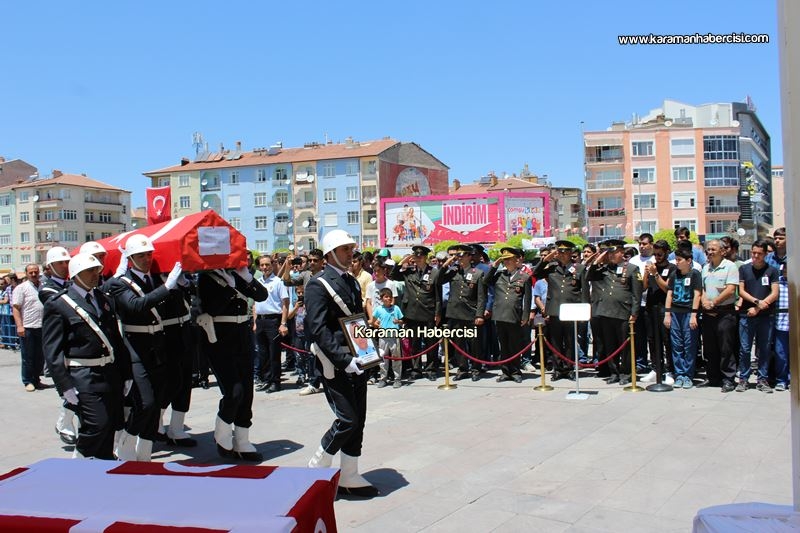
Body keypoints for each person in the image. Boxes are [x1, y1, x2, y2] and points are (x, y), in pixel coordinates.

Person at [305, 229, 379, 497]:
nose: (351, 254)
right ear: (331, 253)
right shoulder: (318, 284)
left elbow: (355, 320)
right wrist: (344, 359)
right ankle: (316, 465)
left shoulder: (349, 281)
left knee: (358, 420)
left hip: (358, 359)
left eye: (351, 249)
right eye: (346, 249)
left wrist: (368, 352)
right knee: (347, 418)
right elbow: (318, 328)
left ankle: (349, 473)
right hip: (335, 362)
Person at [42, 253, 132, 459]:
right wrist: (64, 385)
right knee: (96, 424)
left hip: (109, 372)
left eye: (97, 270)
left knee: (111, 424)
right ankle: (79, 467)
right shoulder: (59, 304)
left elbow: (116, 339)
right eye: (89, 271)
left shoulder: (104, 299)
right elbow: (52, 350)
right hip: (82, 374)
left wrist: (126, 372)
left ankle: (102, 469)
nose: (95, 275)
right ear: (76, 274)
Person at [104, 235, 185, 461]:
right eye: (141, 255)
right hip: (135, 350)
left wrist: (180, 285)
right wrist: (168, 286)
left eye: (149, 254)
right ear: (130, 258)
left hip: (158, 348)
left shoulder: (156, 279)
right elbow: (136, 305)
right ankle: (126, 445)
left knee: (157, 402)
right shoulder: (121, 283)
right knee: (145, 402)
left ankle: (145, 452)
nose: (147, 259)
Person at [198, 263, 269, 461]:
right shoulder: (206, 277)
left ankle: (242, 441)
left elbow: (262, 295)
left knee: (247, 392)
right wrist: (230, 288)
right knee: (234, 391)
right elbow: (211, 308)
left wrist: (248, 279)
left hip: (243, 337)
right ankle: (221, 431)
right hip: (220, 339)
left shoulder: (236, 275)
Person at [586, 239, 643, 385]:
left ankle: (626, 372)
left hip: (623, 312)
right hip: (606, 312)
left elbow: (637, 294)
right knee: (610, 345)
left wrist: (634, 313)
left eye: (613, 252)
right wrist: (598, 258)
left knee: (624, 346)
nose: (611, 255)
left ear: (622, 252)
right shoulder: (604, 269)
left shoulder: (632, 269)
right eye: (609, 253)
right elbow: (589, 276)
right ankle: (614, 372)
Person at [534, 241, 589, 381]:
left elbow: (584, 291)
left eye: (565, 252)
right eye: (560, 252)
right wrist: (546, 259)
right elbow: (536, 273)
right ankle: (558, 369)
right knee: (556, 341)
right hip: (555, 310)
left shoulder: (580, 268)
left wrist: (585, 311)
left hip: (572, 309)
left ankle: (569, 368)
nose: (562, 254)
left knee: (571, 341)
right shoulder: (552, 267)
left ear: (571, 253)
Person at [390, 245, 441, 381]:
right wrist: (403, 260)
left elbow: (437, 295)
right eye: (415, 256)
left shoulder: (434, 272)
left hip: (428, 312)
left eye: (420, 256)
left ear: (425, 258)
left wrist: (437, 313)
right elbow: (393, 274)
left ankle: (430, 368)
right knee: (414, 343)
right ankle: (416, 369)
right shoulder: (409, 271)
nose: (418, 259)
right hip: (412, 313)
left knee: (430, 342)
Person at [736, 240, 779, 393]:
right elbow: (741, 291)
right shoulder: (744, 269)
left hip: (766, 316)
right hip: (746, 315)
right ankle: (744, 379)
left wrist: (760, 306)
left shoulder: (772, 270)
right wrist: (756, 302)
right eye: (753, 253)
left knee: (764, 348)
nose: (755, 256)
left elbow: (774, 293)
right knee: (745, 349)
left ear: (765, 254)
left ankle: (762, 379)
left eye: (759, 254)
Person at [439, 244, 487, 381]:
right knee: (459, 342)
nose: (459, 258)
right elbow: (439, 279)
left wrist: (479, 314)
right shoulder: (454, 271)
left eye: (461, 255)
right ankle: (462, 368)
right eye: (457, 256)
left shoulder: (477, 273)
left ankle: (476, 368)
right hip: (455, 313)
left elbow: (481, 297)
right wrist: (447, 264)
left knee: (474, 343)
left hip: (471, 313)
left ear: (469, 256)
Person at [487, 247, 532, 383]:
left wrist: (525, 316)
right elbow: (486, 280)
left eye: (509, 259)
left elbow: (527, 299)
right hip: (500, 315)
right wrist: (495, 265)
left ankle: (515, 371)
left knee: (514, 345)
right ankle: (505, 371)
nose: (506, 262)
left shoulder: (524, 277)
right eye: (504, 260)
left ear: (516, 260)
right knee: (504, 345)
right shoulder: (500, 275)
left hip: (514, 315)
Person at [700, 240, 739, 392]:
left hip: (725, 312)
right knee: (710, 347)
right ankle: (712, 377)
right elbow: (701, 288)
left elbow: (730, 290)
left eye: (713, 249)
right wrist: (704, 301)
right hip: (708, 313)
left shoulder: (730, 267)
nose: (710, 252)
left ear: (723, 251)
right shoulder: (705, 267)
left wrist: (714, 302)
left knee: (726, 347)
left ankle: (728, 379)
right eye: (708, 249)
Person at [663, 246, 702, 389]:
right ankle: (679, 374)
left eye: (679, 260)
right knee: (676, 344)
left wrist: (694, 315)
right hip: (675, 312)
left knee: (689, 344)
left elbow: (697, 294)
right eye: (676, 259)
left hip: (688, 313)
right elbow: (669, 294)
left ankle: (688, 374)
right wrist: (667, 314)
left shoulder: (695, 274)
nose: (677, 262)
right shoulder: (674, 274)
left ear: (688, 260)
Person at [640, 240, 676, 385]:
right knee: (652, 339)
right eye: (655, 254)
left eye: (660, 254)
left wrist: (656, 274)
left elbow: (667, 289)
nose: (657, 257)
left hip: (664, 308)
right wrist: (646, 273)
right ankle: (655, 368)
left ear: (667, 252)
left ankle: (669, 370)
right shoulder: (651, 266)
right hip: (650, 307)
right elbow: (644, 287)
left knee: (666, 340)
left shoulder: (672, 268)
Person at [253, 255, 290, 393]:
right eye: (262, 265)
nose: (264, 267)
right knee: (262, 353)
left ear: (272, 265)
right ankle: (266, 379)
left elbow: (285, 303)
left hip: (273, 320)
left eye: (267, 264)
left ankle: (275, 381)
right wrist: (256, 321)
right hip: (261, 321)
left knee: (273, 353)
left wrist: (283, 323)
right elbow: (255, 304)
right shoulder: (258, 282)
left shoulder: (278, 282)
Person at [12, 264, 46, 392]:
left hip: (41, 326)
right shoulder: (21, 288)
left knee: (40, 356)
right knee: (28, 356)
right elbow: (16, 308)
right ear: (26, 273)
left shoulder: (43, 286)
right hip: (28, 326)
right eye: (31, 272)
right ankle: (28, 381)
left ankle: (36, 380)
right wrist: (19, 326)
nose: (33, 274)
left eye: (35, 272)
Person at [371, 288, 404, 388]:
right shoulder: (378, 309)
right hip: (383, 337)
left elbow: (402, 321)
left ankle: (397, 379)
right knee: (383, 359)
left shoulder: (396, 308)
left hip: (394, 337)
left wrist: (398, 322)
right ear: (381, 299)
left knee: (396, 358)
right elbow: (373, 321)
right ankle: (383, 378)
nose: (388, 298)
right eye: (386, 297)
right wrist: (376, 324)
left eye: (390, 296)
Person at [773, 259, 790, 392]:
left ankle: (794, 380)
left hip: (795, 325)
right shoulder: (778, 282)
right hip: (781, 325)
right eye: (784, 268)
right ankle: (782, 380)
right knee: (781, 354)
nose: (786, 271)